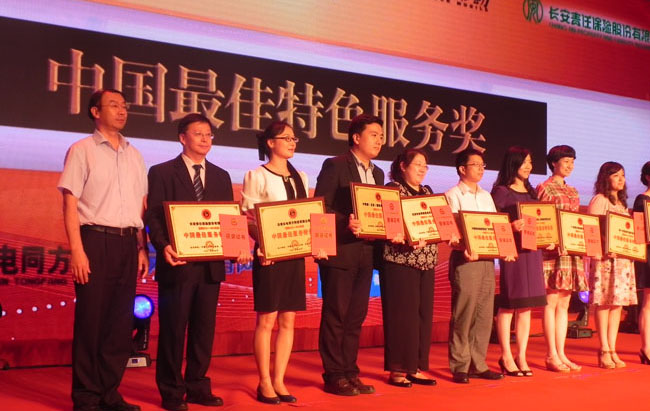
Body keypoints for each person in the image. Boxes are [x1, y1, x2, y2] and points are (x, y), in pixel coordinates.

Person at [146, 113, 251, 411]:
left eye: (209, 134)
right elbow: (153, 215)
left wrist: (239, 244)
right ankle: (171, 391)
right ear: (182, 138)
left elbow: (229, 218)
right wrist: (163, 246)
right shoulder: (162, 172)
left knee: (203, 331)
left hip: (210, 266)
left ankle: (197, 386)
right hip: (177, 263)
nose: (205, 139)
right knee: (173, 330)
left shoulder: (220, 175)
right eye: (198, 133)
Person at [58, 89, 148, 411]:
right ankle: (86, 397)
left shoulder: (135, 155)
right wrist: (77, 250)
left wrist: (141, 247)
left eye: (124, 106)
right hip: (94, 240)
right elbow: (70, 203)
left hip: (128, 243)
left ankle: (109, 393)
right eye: (113, 105)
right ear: (95, 112)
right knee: (91, 321)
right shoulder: (81, 150)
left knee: (119, 324)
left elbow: (140, 205)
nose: (122, 111)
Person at [240, 121, 310, 405]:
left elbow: (306, 216)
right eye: (286, 138)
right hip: (268, 256)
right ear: (270, 143)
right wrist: (265, 244)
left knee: (288, 319)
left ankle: (280, 379)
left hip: (294, 254)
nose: (292, 143)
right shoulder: (257, 175)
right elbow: (249, 219)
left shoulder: (300, 176)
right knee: (267, 320)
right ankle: (264, 381)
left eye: (294, 139)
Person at [314, 114, 385, 396]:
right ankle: (333, 375)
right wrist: (346, 222)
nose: (379, 141)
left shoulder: (378, 174)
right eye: (374, 135)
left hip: (366, 253)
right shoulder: (335, 165)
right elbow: (321, 206)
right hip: (341, 251)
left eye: (381, 136)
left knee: (356, 316)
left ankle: (350, 371)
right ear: (356, 138)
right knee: (336, 314)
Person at [445, 148, 504, 384]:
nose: (481, 169)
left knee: (484, 313)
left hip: (487, 259)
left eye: (482, 165)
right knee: (464, 313)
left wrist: (505, 248)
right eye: (475, 165)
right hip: (466, 259)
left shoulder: (487, 196)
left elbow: (496, 228)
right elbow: (451, 230)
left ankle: (478, 364)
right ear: (462, 169)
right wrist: (463, 246)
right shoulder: (453, 195)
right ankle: (460, 365)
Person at [380, 149, 438, 388]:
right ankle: (397, 370)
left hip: (426, 260)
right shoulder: (392, 190)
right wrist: (402, 236)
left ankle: (415, 367)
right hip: (400, 260)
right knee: (402, 317)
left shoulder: (428, 192)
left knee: (422, 316)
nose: (423, 169)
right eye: (418, 164)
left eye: (425, 165)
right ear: (403, 166)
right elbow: (387, 225)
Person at [490, 147, 547, 377]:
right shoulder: (501, 192)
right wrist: (511, 227)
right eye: (523, 162)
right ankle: (505, 355)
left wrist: (548, 238)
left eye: (530, 162)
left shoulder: (532, 193)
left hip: (532, 254)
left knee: (526, 307)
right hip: (512, 254)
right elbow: (492, 223)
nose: (528, 166)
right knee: (509, 304)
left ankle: (521, 355)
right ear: (512, 164)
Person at [536, 145, 586, 372]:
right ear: (554, 163)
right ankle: (551, 354)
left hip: (570, 251)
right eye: (566, 161)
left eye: (572, 162)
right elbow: (540, 219)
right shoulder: (544, 188)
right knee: (551, 301)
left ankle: (561, 353)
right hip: (551, 251)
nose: (570, 166)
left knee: (565, 303)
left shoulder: (573, 191)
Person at [588, 162, 637, 368]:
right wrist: (604, 247)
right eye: (616, 175)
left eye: (622, 175)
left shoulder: (622, 203)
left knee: (617, 305)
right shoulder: (600, 200)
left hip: (622, 261)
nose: (621, 179)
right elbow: (591, 229)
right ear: (605, 178)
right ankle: (604, 349)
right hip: (605, 260)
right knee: (604, 303)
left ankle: (613, 349)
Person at [634, 161, 650, 365]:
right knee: (648, 301)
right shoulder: (642, 200)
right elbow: (639, 231)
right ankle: (647, 347)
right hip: (649, 252)